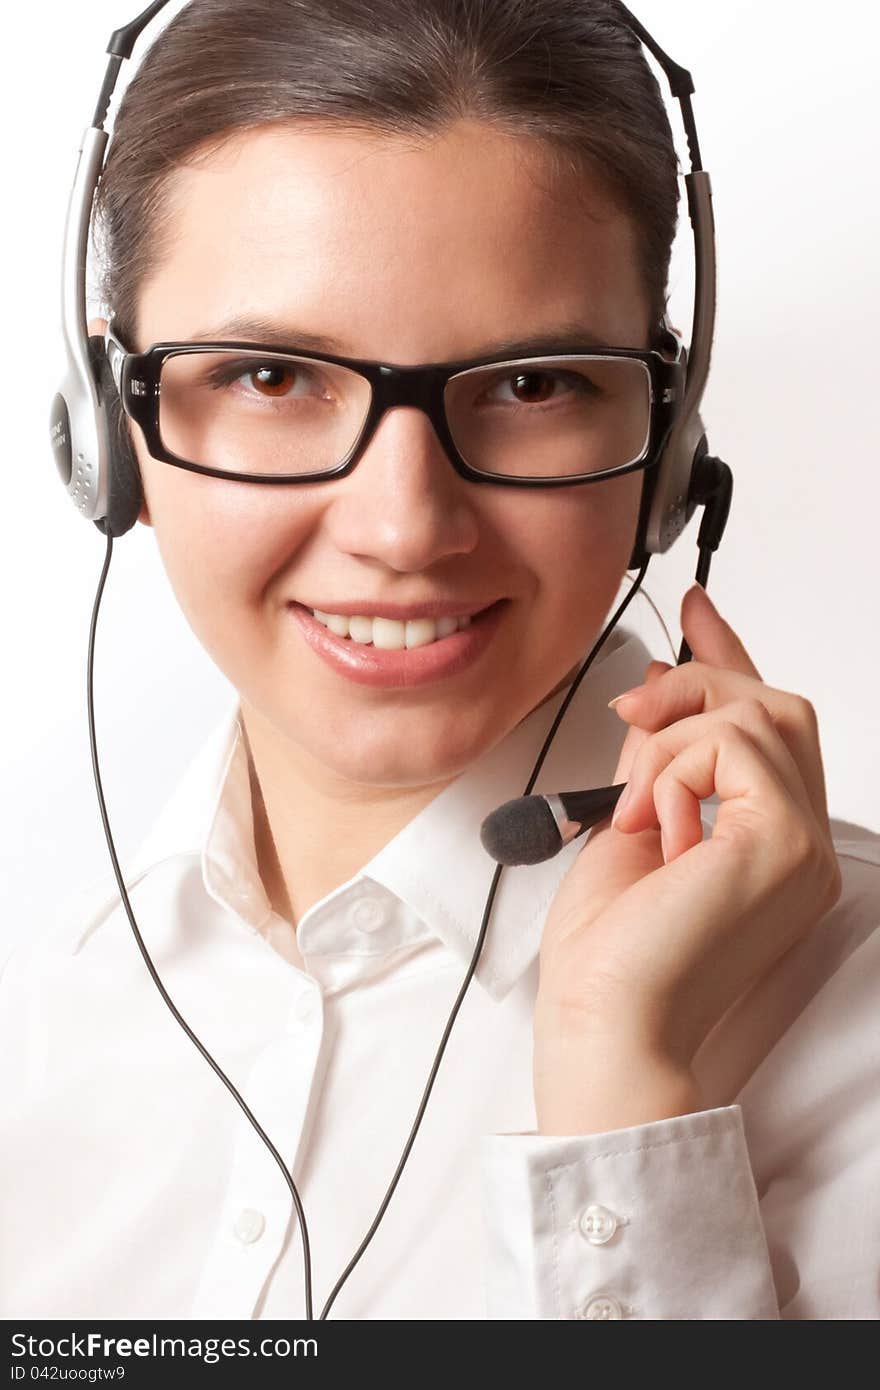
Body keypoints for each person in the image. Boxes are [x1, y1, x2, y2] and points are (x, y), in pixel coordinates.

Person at [2, 0, 878, 1322]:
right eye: (272, 375)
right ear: (106, 431)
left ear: (669, 448)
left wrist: (622, 1098)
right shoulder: (40, 1017)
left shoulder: (856, 1008)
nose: (405, 528)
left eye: (531, 384)